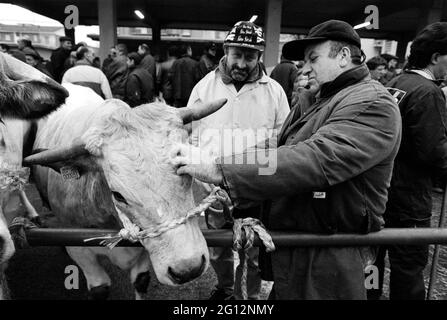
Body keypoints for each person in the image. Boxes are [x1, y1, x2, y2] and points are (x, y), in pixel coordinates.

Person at [170, 19, 402, 300]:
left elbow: (316, 158)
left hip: (334, 251)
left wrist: (223, 170)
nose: (304, 69)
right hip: (304, 242)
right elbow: (277, 143)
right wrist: (219, 164)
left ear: (343, 56)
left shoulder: (371, 103)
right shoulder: (320, 100)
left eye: (313, 59)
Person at [187, 20, 290, 300]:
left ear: (259, 56)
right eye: (237, 55)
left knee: (253, 247)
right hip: (214, 187)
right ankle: (227, 289)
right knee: (219, 246)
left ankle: (251, 296)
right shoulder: (204, 88)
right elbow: (193, 138)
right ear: (226, 51)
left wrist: (268, 177)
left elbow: (282, 138)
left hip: (256, 185)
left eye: (250, 56)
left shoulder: (275, 92)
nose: (242, 63)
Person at [368, 22, 447, 301]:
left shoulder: (396, 84)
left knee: (373, 259)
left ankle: (370, 297)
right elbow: (434, 151)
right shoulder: (429, 92)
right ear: (436, 57)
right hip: (410, 197)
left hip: (381, 190)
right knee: (408, 267)